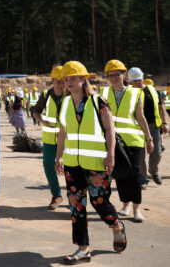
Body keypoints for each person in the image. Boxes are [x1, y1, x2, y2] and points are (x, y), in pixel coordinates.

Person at [55, 61, 126, 264]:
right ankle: (82, 249)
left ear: (83, 78)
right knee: (76, 206)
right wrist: (58, 156)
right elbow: (62, 133)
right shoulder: (66, 103)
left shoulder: (98, 101)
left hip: (96, 163)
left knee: (99, 203)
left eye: (73, 78)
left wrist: (110, 156)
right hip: (72, 164)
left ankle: (116, 225)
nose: (68, 82)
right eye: (65, 79)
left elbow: (110, 130)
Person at [100, 59, 154, 222]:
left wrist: (149, 138)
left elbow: (140, 117)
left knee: (135, 175)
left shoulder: (136, 92)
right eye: (110, 75)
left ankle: (137, 209)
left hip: (133, 140)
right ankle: (125, 206)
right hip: (113, 141)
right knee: (121, 174)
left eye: (116, 74)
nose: (113, 78)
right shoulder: (103, 93)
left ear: (124, 75)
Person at [32, 65, 65, 210]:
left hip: (67, 139)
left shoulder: (70, 95)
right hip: (50, 139)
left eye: (63, 81)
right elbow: (36, 112)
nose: (61, 84)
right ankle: (56, 195)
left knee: (70, 168)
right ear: (52, 81)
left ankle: (73, 196)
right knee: (47, 165)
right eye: (58, 81)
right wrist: (42, 121)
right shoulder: (45, 95)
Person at [129, 69, 168, 185]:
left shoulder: (152, 89)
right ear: (131, 81)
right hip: (136, 127)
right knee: (140, 154)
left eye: (139, 79)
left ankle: (153, 171)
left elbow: (160, 107)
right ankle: (143, 178)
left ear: (143, 77)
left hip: (153, 126)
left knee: (157, 151)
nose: (138, 82)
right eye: (134, 81)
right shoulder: (129, 92)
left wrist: (164, 123)